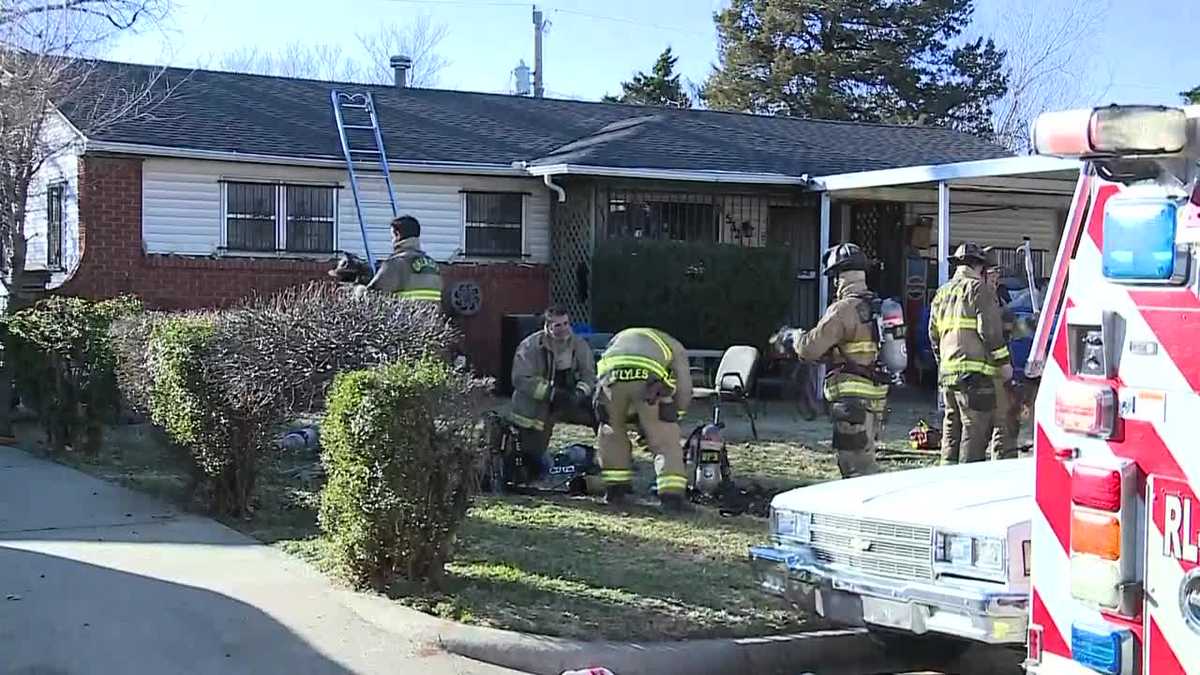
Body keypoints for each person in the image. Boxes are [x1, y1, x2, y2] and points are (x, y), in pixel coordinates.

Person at [776, 243, 888, 479]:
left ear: (838, 277)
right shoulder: (878, 306)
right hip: (875, 399)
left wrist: (794, 337)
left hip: (851, 401)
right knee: (865, 456)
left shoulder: (842, 310)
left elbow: (809, 349)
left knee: (854, 465)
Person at [929, 242, 1012, 465]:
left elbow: (934, 334)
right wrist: (1004, 363)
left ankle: (946, 474)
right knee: (973, 431)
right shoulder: (978, 289)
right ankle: (966, 480)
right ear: (980, 267)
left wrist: (943, 363)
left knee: (951, 426)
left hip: (948, 374)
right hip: (974, 376)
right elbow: (990, 332)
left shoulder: (942, 292)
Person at [594, 327, 692, 512]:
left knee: (612, 431)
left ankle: (616, 490)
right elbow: (685, 389)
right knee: (665, 442)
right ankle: (672, 497)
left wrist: (637, 419)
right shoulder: (675, 347)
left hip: (610, 378)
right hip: (649, 379)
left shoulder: (619, 338)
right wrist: (673, 416)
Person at [509, 306, 597, 477]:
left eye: (566, 323)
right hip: (538, 407)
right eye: (558, 325)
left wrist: (579, 394)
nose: (564, 329)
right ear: (547, 326)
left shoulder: (578, 344)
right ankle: (534, 459)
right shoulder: (530, 346)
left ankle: (612, 460)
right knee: (533, 461)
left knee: (602, 415)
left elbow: (589, 375)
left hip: (571, 400)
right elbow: (520, 379)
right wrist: (551, 394)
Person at [982, 250, 1020, 460]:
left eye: (997, 273)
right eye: (991, 272)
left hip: (1000, 365)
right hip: (987, 368)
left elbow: (1012, 330)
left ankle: (1003, 460)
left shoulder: (999, 298)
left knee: (1005, 420)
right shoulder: (980, 298)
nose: (996, 277)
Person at [356, 215, 443, 302]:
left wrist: (360, 290)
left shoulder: (395, 264)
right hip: (430, 315)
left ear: (397, 235)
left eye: (392, 236)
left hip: (404, 315)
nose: (392, 241)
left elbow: (372, 295)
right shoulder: (433, 265)